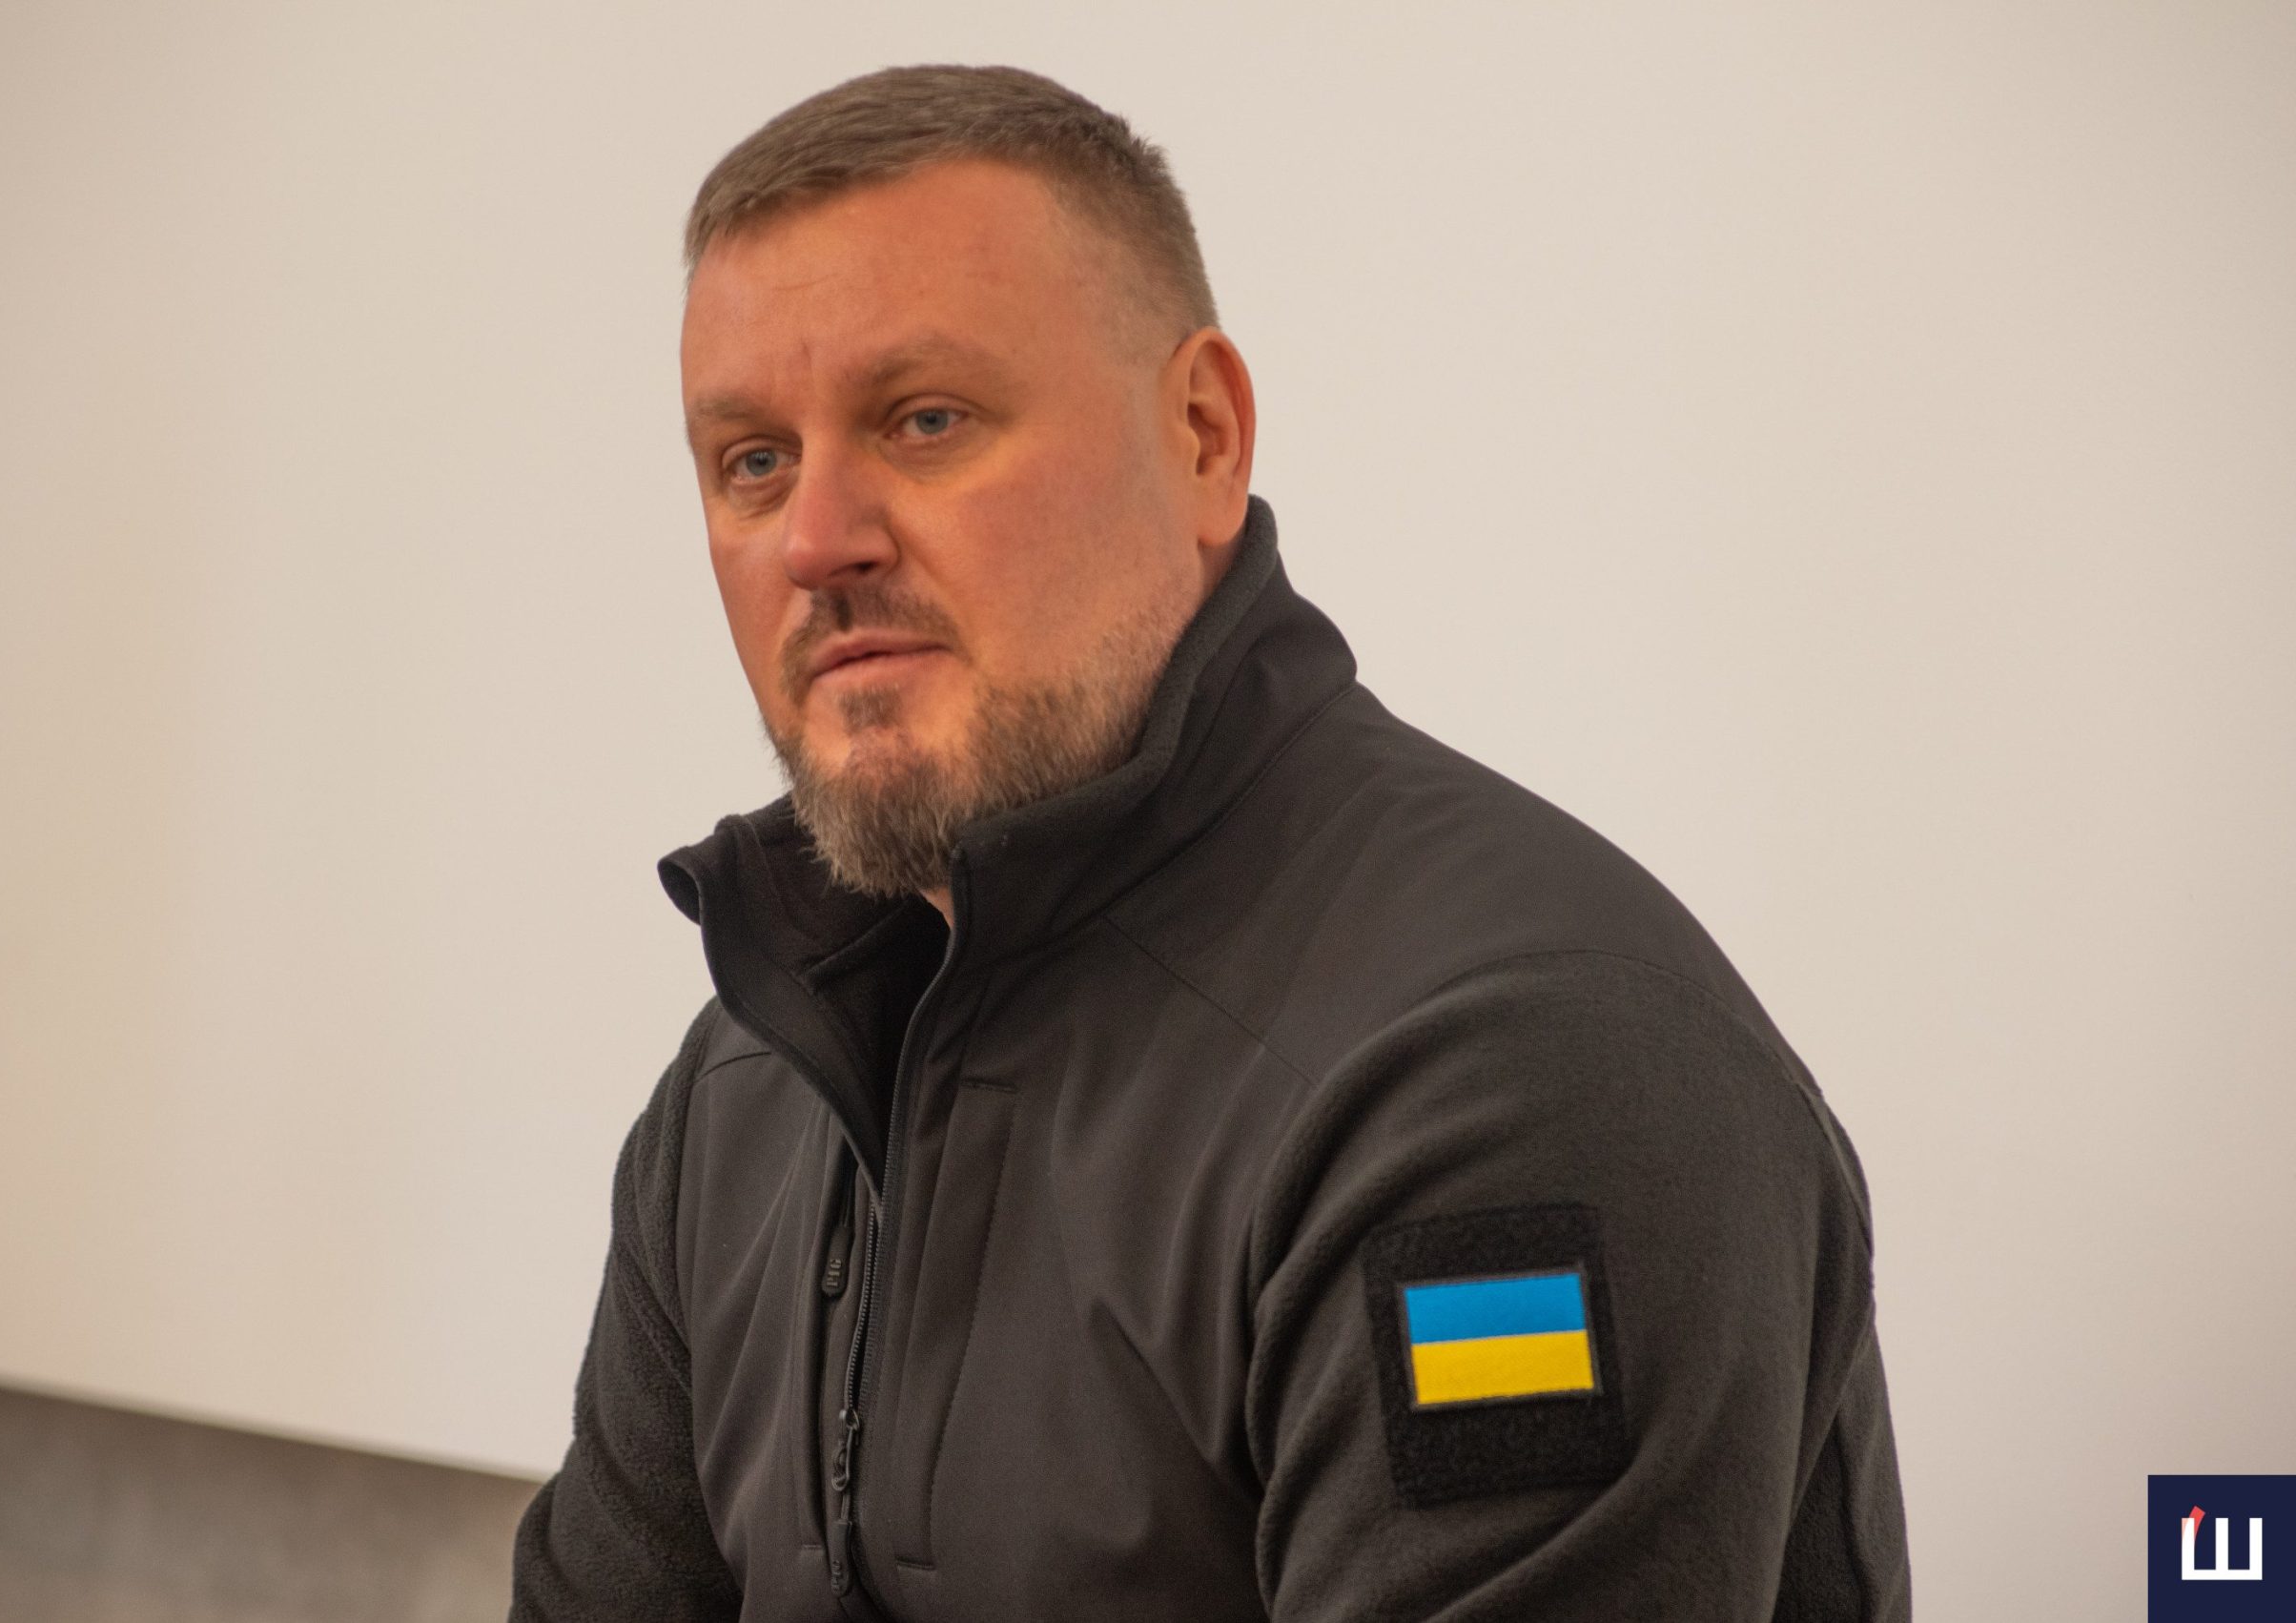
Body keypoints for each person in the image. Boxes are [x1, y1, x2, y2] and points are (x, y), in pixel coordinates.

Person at [510, 63, 1910, 1623]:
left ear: (1202, 436)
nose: (816, 539)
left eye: (925, 420)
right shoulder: (748, 1087)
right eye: (753, 460)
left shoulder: (1508, 1072)